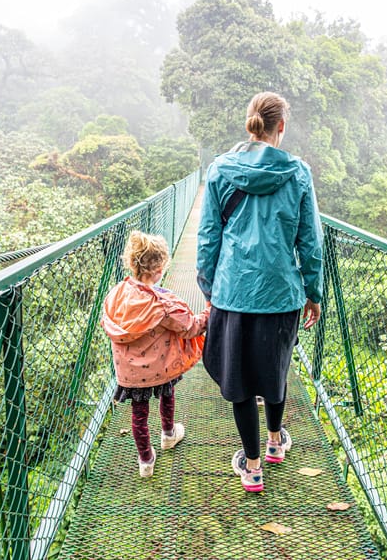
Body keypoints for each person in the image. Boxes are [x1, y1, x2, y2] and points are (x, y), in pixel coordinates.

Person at [197, 91, 323, 493]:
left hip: (233, 292)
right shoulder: (299, 172)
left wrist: (208, 287)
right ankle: (274, 443)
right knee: (275, 369)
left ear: (249, 122)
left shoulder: (219, 169)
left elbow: (207, 238)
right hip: (282, 294)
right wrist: (313, 291)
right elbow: (310, 241)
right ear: (280, 127)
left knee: (239, 378)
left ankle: (252, 467)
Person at [102, 230, 209, 477]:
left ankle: (146, 460)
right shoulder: (161, 305)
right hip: (160, 367)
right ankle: (169, 434)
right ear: (160, 269)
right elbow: (190, 327)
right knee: (167, 394)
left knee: (139, 414)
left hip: (129, 372)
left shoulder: (116, 294)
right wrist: (209, 313)